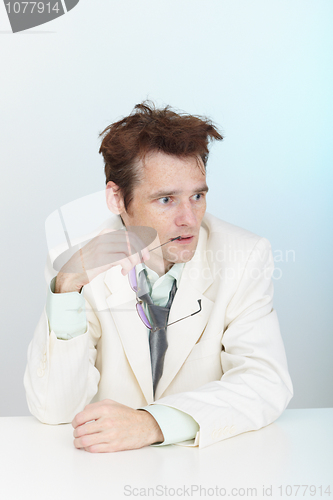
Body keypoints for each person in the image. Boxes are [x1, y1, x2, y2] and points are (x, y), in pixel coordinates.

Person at [24, 102, 293, 453]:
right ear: (117, 198)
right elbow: (55, 410)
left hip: (211, 469)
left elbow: (266, 383)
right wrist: (68, 287)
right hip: (103, 475)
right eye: (166, 200)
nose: (188, 219)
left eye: (197, 196)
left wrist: (152, 423)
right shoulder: (74, 261)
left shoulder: (245, 255)